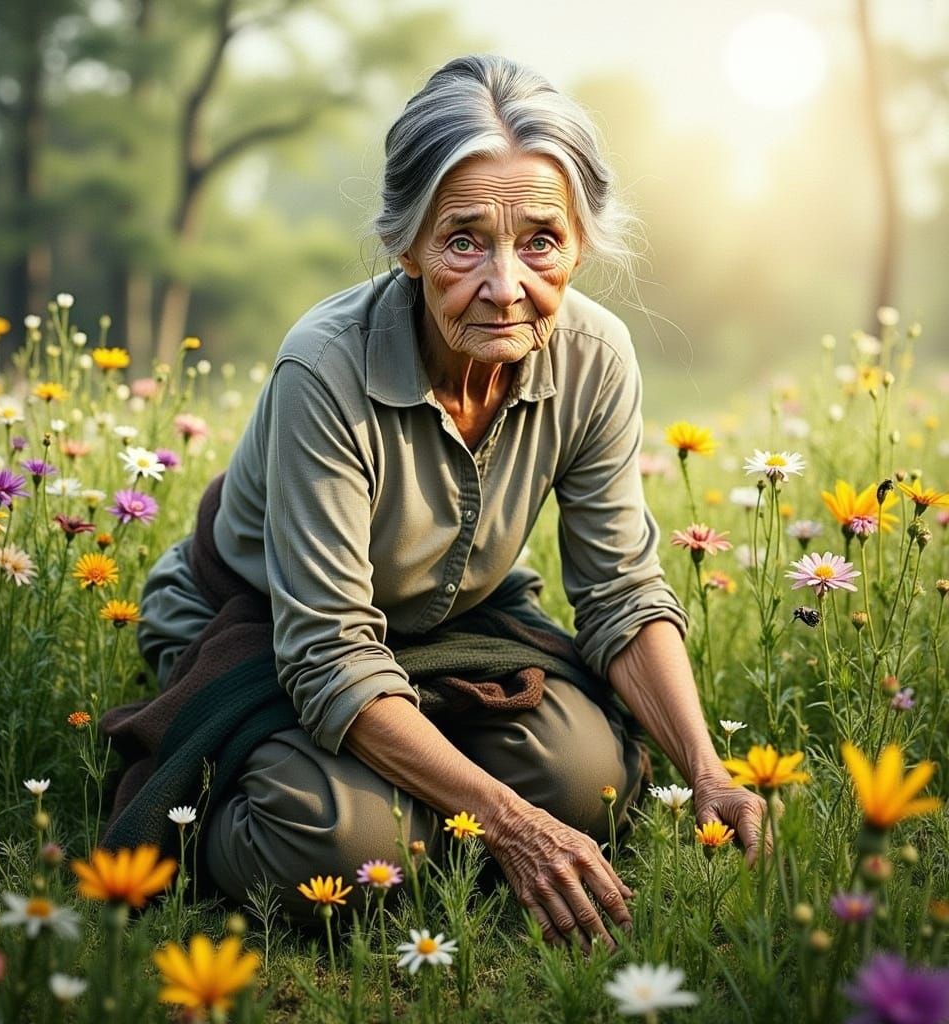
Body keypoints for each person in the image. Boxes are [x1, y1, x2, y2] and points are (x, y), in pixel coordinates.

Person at [129, 54, 765, 948]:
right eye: (464, 239)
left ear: (580, 243)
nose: (506, 286)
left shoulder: (597, 355)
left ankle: (421, 792)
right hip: (264, 617)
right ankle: (230, 807)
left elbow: (620, 591)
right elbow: (327, 650)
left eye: (541, 240)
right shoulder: (325, 364)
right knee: (346, 845)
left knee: (594, 784)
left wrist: (708, 773)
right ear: (408, 243)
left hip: (453, 618)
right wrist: (509, 823)